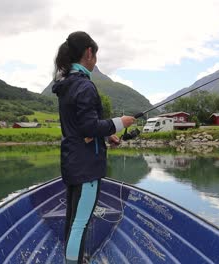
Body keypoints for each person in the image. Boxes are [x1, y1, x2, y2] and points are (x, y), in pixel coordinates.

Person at [52, 31, 135, 264]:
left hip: (72, 162)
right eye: (95, 54)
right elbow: (88, 127)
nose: (95, 59)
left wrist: (108, 135)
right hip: (87, 167)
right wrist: (121, 123)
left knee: (73, 218)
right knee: (80, 222)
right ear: (89, 53)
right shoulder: (85, 86)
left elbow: (79, 127)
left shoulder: (66, 85)